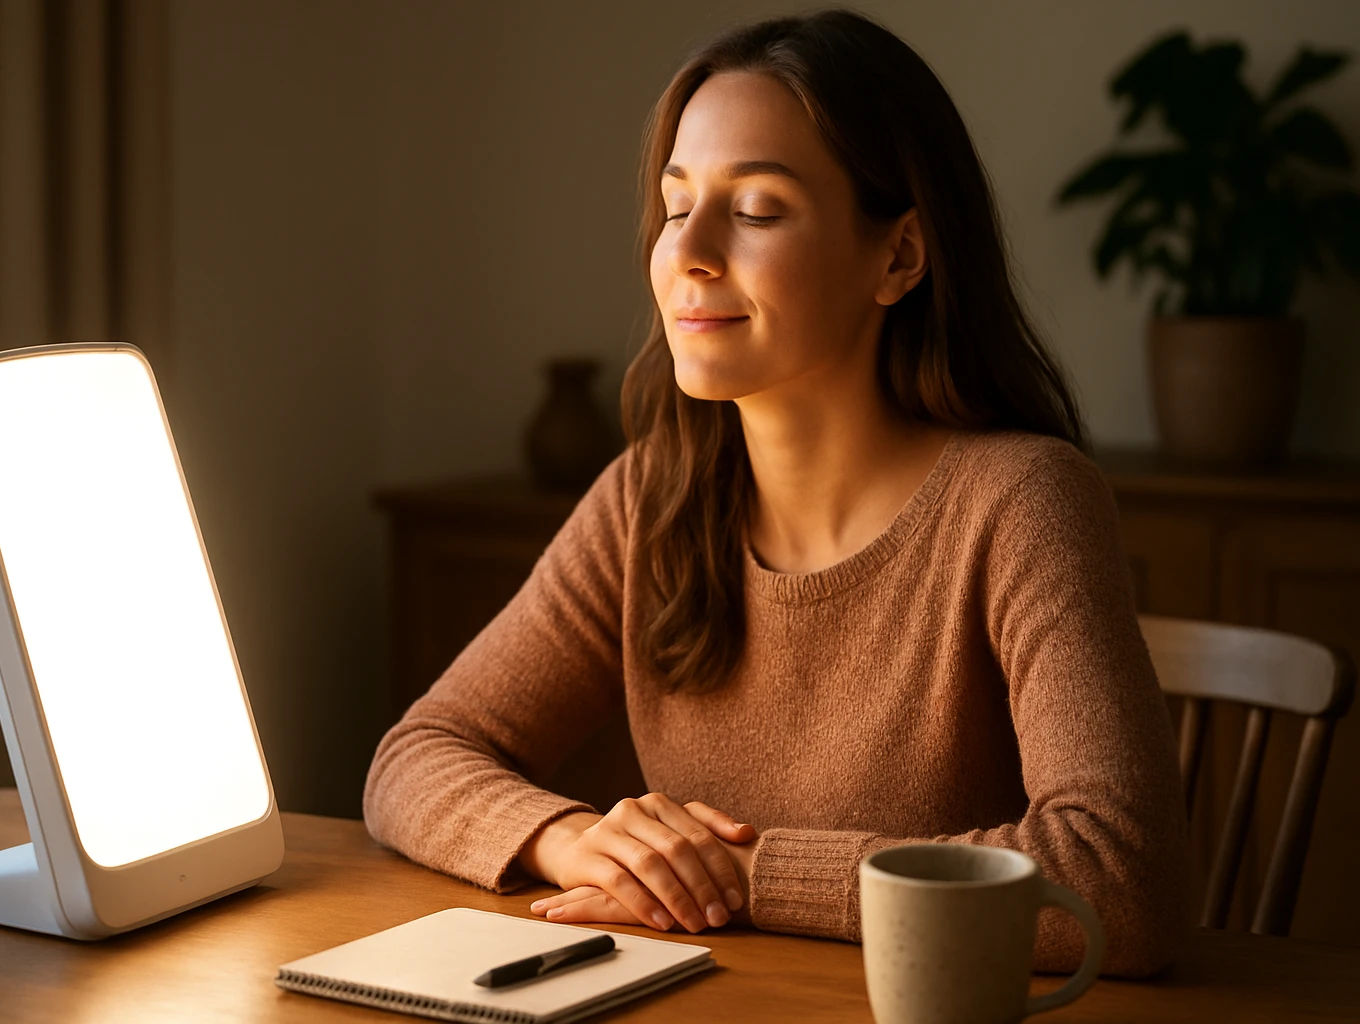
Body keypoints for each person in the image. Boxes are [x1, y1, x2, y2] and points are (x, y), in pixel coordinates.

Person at [364, 9, 1187, 977]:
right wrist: (576, 839)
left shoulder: (1022, 503)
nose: (689, 253)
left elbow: (1121, 883)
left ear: (899, 257)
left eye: (755, 210)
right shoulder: (651, 500)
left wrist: (747, 872)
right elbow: (416, 755)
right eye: (676, 207)